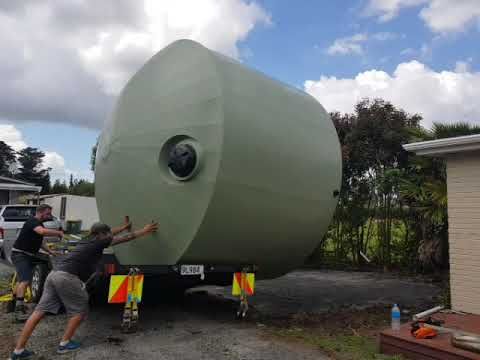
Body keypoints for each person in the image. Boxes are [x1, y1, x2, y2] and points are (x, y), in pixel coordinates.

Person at [10, 219, 158, 360]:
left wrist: (123, 227)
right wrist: (143, 231)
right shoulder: (101, 241)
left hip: (54, 274)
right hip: (67, 277)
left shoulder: (87, 238)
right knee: (80, 309)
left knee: (39, 312)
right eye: (107, 234)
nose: (109, 236)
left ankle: (18, 350)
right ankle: (65, 344)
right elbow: (124, 238)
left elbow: (110, 232)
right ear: (101, 235)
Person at [11, 204, 64, 321]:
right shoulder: (32, 221)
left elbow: (40, 242)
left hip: (30, 255)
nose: (50, 216)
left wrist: (51, 252)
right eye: (48, 213)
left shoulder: (39, 224)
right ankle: (19, 310)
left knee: (46, 263)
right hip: (20, 254)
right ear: (40, 212)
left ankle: (13, 302)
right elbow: (41, 232)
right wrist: (58, 233)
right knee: (25, 280)